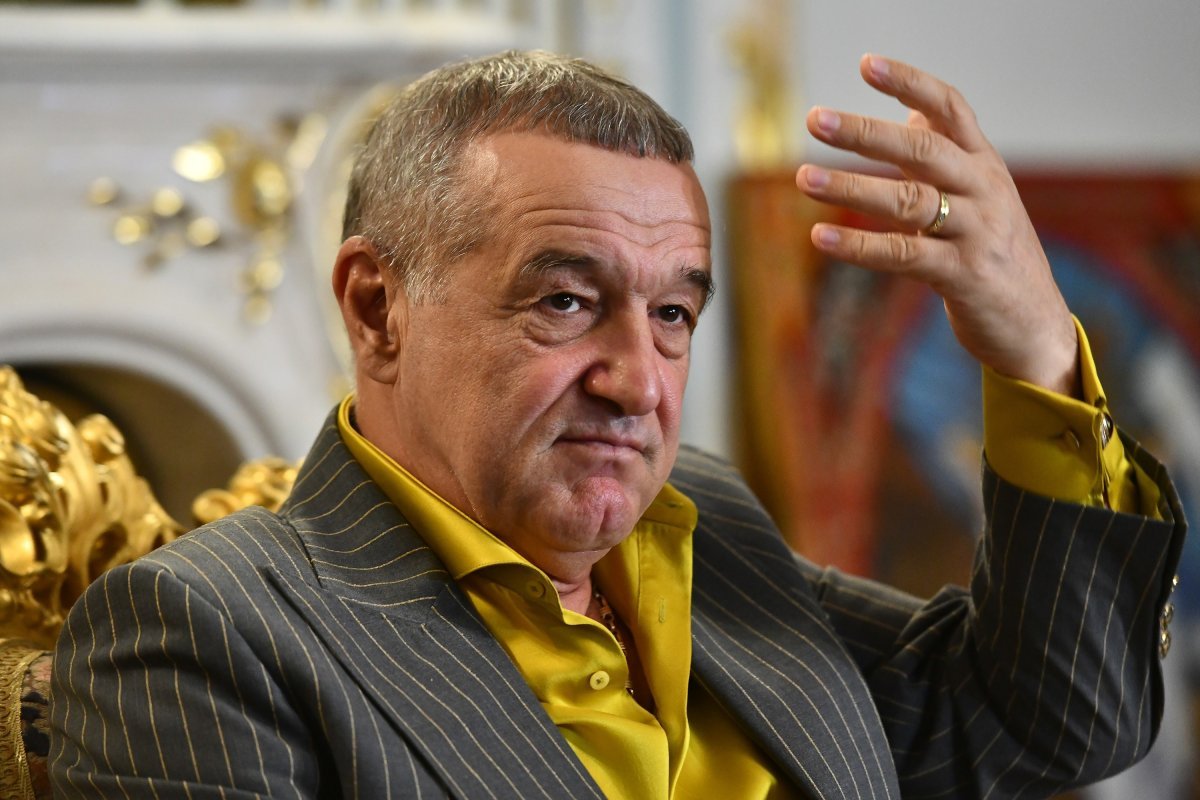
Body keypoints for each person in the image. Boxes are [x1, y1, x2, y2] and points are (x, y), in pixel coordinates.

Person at [49, 50, 1184, 799]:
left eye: (675, 313)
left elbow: (1056, 719)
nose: (639, 381)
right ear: (377, 307)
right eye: (565, 300)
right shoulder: (203, 633)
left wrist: (1037, 351)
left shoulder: (705, 527)